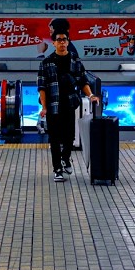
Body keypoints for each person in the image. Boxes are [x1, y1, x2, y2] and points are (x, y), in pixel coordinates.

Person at [37, 30, 97, 182]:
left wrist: (90, 96)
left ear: (68, 42)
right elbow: (42, 87)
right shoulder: (46, 63)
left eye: (65, 40)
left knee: (69, 136)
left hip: (70, 105)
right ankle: (57, 168)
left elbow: (83, 81)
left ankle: (66, 158)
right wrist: (44, 107)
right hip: (52, 106)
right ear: (54, 43)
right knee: (55, 138)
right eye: (59, 40)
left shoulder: (75, 61)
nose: (62, 42)